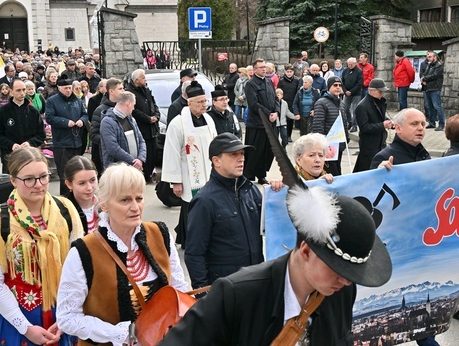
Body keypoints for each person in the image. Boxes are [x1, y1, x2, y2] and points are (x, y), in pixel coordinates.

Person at [161, 185, 392, 345]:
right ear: (306, 251)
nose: (346, 280)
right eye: (339, 269)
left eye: (351, 274)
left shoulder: (341, 291)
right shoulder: (237, 294)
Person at [56, 163, 189, 344]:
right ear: (104, 204)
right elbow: (67, 317)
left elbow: (179, 289)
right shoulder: (83, 251)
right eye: (125, 200)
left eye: (139, 198)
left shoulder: (160, 234)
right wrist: (122, 333)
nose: (135, 207)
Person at [0, 147, 83, 346]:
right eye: (29, 179)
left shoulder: (65, 210)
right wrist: (25, 327)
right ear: (13, 180)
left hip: (62, 310)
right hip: (18, 316)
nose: (39, 185)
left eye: (43, 176)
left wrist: (67, 315)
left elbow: (80, 268)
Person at [370, 108, 437, 346]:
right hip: (398, 246)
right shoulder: (385, 157)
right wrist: (377, 176)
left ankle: (428, 337)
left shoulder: (423, 153)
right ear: (397, 128)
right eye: (415, 124)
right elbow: (373, 201)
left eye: (423, 123)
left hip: (423, 240)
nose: (421, 128)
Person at [185, 133, 283, 290]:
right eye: (233, 154)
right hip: (226, 289)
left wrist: (279, 195)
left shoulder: (251, 191)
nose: (241, 158)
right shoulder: (204, 201)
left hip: (256, 282)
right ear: (216, 161)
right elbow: (194, 254)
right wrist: (204, 296)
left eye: (242, 153)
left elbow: (275, 228)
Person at [161, 81, 217, 247]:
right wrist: (176, 181)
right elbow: (171, 153)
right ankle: (191, 240)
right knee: (191, 206)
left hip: (209, 171)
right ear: (189, 102)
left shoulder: (208, 119)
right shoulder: (178, 123)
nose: (204, 105)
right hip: (188, 173)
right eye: (200, 102)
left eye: (205, 101)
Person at [0, 79, 46, 173]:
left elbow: (41, 135)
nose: (22, 93)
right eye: (18, 90)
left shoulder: (33, 111)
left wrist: (30, 143)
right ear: (11, 91)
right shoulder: (2, 112)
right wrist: (11, 145)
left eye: (24, 90)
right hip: (10, 155)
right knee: (10, 184)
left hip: (31, 155)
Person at [45, 78, 88, 194]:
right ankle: (65, 198)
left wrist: (82, 121)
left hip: (77, 140)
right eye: (66, 88)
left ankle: (77, 196)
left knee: (77, 171)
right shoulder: (52, 101)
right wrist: (65, 122)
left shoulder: (77, 100)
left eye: (70, 88)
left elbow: (85, 114)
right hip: (62, 142)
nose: (68, 90)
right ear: (59, 88)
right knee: (64, 173)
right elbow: (49, 117)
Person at [243, 58, 279, 185]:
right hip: (257, 124)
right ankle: (248, 175)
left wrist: (276, 112)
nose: (264, 69)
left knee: (267, 151)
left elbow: (275, 99)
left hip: (270, 123)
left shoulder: (269, 82)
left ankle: (261, 174)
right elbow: (253, 104)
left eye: (265, 67)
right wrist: (268, 113)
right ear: (254, 70)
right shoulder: (250, 84)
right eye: (261, 67)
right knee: (255, 151)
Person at [125, 69, 160, 183]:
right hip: (142, 128)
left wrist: (156, 115)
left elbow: (153, 104)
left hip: (152, 129)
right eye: (143, 78)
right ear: (136, 80)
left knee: (154, 153)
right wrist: (148, 118)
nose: (145, 80)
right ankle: (143, 176)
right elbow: (134, 111)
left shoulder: (146, 90)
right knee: (145, 154)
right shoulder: (130, 92)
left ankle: (150, 174)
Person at [312, 76, 349, 176]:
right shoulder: (321, 103)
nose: (338, 87)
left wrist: (346, 139)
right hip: (328, 146)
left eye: (340, 85)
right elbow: (317, 126)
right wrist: (322, 145)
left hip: (339, 145)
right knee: (330, 175)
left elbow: (344, 122)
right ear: (329, 87)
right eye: (335, 85)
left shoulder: (341, 104)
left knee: (337, 172)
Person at [100, 91, 146, 170]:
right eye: (133, 105)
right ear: (128, 103)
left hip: (133, 168)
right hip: (117, 171)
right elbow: (113, 148)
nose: (133, 108)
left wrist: (140, 159)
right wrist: (133, 161)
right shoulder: (107, 122)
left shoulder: (131, 120)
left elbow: (141, 141)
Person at [353, 78, 392, 173]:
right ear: (371, 91)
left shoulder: (380, 102)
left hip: (380, 143)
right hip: (369, 147)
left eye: (383, 92)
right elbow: (364, 127)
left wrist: (388, 122)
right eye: (380, 92)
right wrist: (382, 125)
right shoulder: (362, 106)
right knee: (367, 171)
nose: (382, 94)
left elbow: (380, 117)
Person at [90, 77, 124, 175]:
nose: (123, 91)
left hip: (122, 155)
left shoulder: (124, 108)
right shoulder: (100, 110)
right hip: (105, 157)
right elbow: (93, 134)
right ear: (111, 91)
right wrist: (109, 141)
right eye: (120, 89)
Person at [64, 155, 99, 235]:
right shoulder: (65, 211)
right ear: (69, 184)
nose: (89, 188)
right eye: (82, 183)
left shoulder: (104, 205)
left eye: (92, 180)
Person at [421, 51, 445, 131]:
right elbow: (425, 73)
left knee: (437, 106)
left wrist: (425, 78)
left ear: (435, 57)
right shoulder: (429, 64)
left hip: (435, 88)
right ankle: (432, 123)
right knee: (429, 106)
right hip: (427, 88)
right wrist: (423, 78)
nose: (428, 58)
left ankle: (441, 124)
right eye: (427, 57)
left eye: (430, 56)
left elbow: (435, 75)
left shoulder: (439, 65)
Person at [278, 64, 300, 143]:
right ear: (285, 72)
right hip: (284, 102)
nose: (289, 73)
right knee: (284, 119)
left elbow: (298, 91)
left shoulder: (296, 80)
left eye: (291, 72)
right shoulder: (281, 80)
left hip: (292, 101)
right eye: (288, 72)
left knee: (290, 119)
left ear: (293, 72)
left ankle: (289, 135)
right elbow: (279, 91)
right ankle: (283, 135)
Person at [341, 57, 363, 133]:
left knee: (355, 110)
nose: (349, 65)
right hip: (346, 93)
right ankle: (349, 122)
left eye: (351, 64)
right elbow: (342, 82)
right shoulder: (345, 71)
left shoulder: (359, 71)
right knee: (345, 108)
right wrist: (345, 91)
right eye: (348, 64)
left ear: (355, 63)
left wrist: (351, 91)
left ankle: (354, 125)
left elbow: (359, 84)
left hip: (356, 94)